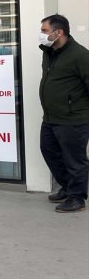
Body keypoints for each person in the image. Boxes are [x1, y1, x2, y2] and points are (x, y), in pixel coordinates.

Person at [38, 14, 89, 213]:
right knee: (49, 151)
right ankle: (68, 188)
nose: (41, 35)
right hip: (50, 117)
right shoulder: (49, 52)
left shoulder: (80, 55)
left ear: (58, 33)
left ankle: (77, 197)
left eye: (44, 31)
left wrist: (76, 108)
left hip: (73, 119)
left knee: (74, 160)